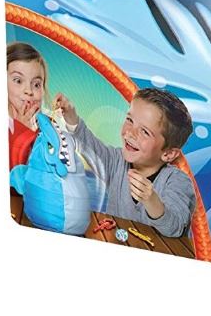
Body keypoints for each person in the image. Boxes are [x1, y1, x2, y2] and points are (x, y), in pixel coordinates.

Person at [53, 86, 197, 238]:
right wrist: (71, 118)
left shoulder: (178, 181)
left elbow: (175, 227)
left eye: (145, 131)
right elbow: (91, 148)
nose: (130, 133)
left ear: (168, 154)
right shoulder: (117, 162)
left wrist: (151, 200)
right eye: (130, 120)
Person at [6, 43, 47, 167]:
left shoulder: (46, 128)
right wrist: (22, 132)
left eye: (36, 85)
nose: (29, 91)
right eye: (18, 81)